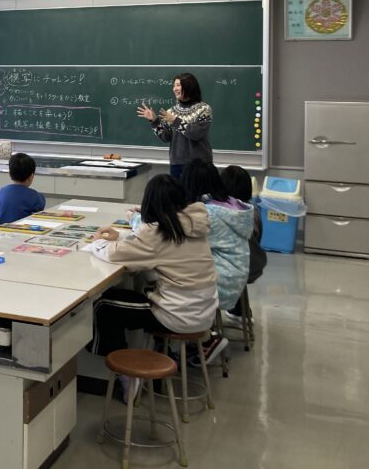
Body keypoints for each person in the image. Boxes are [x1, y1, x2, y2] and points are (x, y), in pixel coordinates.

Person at [87, 174, 217, 399]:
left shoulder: (160, 231)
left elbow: (115, 254)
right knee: (133, 291)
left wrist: (97, 242)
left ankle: (126, 375)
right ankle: (161, 352)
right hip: (204, 311)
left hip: (177, 315)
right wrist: (124, 236)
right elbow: (153, 249)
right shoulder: (192, 224)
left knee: (103, 306)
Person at [181, 159, 255, 362]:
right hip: (235, 276)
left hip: (219, 283)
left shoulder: (207, 214)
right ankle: (201, 335)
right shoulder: (230, 205)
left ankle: (204, 339)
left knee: (166, 279)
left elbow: (174, 234)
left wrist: (139, 218)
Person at [136, 72, 212, 178]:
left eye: (178, 85)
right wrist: (154, 121)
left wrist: (175, 121)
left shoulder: (204, 109)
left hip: (200, 164)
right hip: (177, 164)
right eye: (174, 85)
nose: (175, 89)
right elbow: (166, 137)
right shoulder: (171, 111)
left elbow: (197, 134)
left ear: (189, 87)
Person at [220, 164, 266, 324]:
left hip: (231, 268)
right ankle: (240, 311)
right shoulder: (253, 210)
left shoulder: (221, 212)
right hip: (252, 265)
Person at [0, 153, 46, 226]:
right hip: (21, 230)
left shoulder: (1, 191)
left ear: (9, 173)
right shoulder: (35, 196)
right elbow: (40, 210)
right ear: (31, 176)